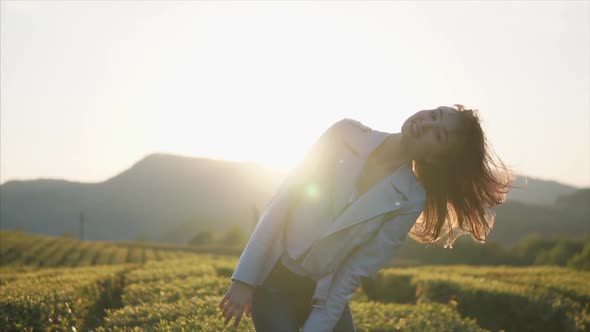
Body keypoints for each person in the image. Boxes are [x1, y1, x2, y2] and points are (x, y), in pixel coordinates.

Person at [219, 104, 511, 332]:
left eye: (438, 134)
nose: (427, 123)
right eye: (434, 114)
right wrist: (245, 279)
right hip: (273, 282)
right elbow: (282, 201)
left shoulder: (411, 198)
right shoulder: (343, 134)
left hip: (322, 297)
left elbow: (351, 274)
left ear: (435, 159)